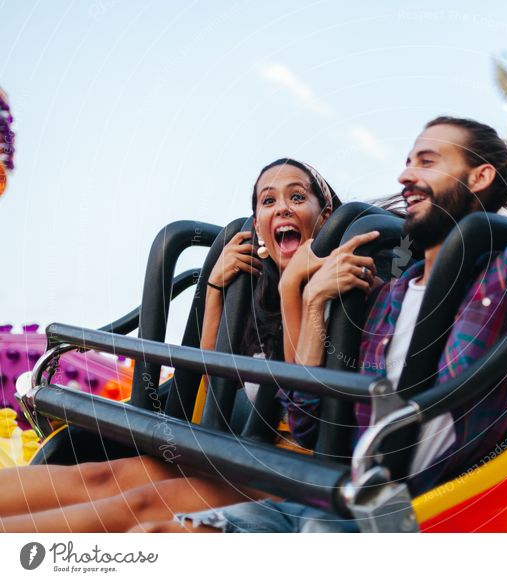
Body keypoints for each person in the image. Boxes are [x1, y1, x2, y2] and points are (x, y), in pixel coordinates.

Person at [142, 0, 507, 533]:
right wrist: (308, 298)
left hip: (406, 518)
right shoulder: (388, 296)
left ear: (478, 178)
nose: (405, 175)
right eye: (408, 160)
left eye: (427, 161)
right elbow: (311, 424)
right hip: (328, 496)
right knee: (156, 537)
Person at [0, 159, 377, 532]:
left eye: (297, 196)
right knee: (100, 478)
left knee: (138, 504)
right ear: (259, 226)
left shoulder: (351, 291)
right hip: (241, 453)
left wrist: (297, 290)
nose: (281, 207)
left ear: (325, 213)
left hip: (299, 473)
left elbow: (304, 414)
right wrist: (214, 290)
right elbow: (211, 391)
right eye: (267, 200)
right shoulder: (254, 297)